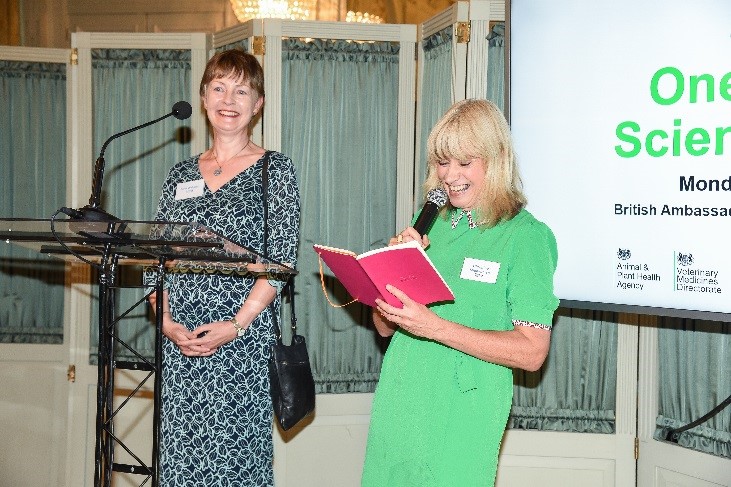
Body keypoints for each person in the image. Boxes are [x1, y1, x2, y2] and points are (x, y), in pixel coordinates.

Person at [361, 99, 559, 486]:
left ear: (497, 158)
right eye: (442, 162)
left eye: (465, 162)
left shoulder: (527, 237)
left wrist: (435, 327)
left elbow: (533, 352)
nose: (450, 176)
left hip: (463, 408)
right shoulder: (431, 226)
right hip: (401, 398)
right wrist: (392, 272)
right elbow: (383, 329)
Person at [147, 49, 300, 486]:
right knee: (181, 462)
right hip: (181, 343)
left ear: (258, 104)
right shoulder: (179, 175)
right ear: (203, 96)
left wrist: (236, 323)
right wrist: (167, 323)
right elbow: (155, 258)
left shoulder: (276, 170)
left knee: (233, 464)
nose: (228, 99)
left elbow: (281, 261)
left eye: (241, 90)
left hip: (241, 340)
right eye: (219, 87)